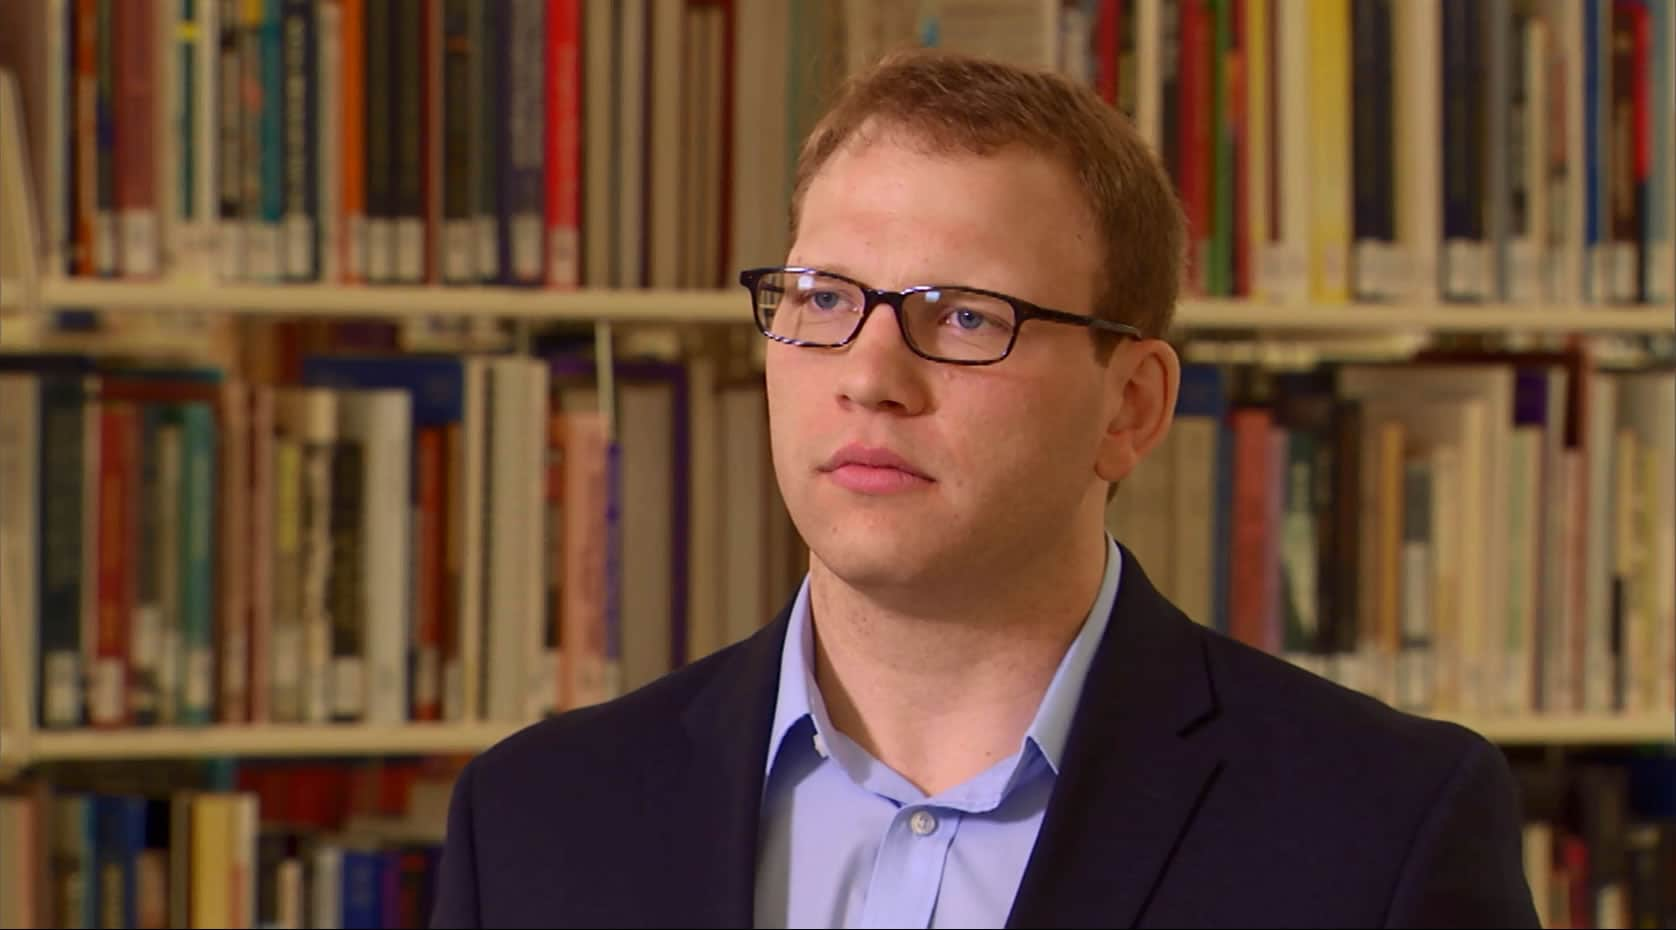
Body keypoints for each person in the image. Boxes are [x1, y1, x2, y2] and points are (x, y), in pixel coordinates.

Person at [431, 48, 1540, 929]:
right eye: (821, 299)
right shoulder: (536, 821)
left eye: (962, 316)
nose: (869, 376)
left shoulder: (1380, 827)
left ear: (1131, 408)